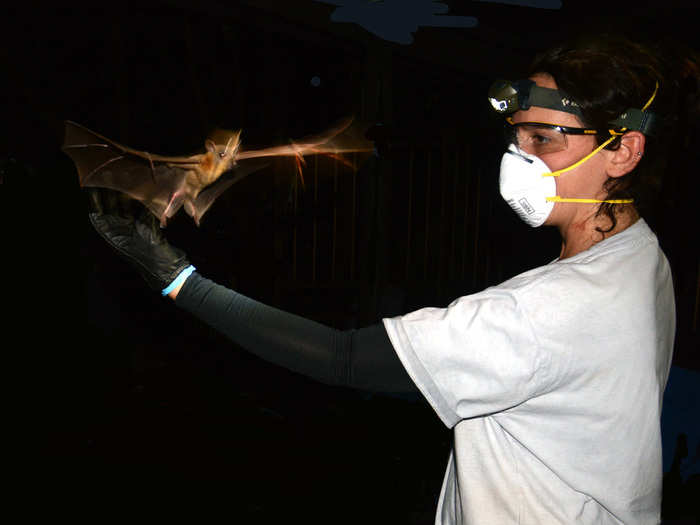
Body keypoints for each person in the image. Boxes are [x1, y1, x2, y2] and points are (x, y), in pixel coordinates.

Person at [88, 34, 677, 524]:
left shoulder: (553, 309)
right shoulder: (639, 256)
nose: (516, 157)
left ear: (623, 151)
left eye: (542, 139)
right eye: (515, 136)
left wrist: (176, 279)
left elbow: (343, 358)